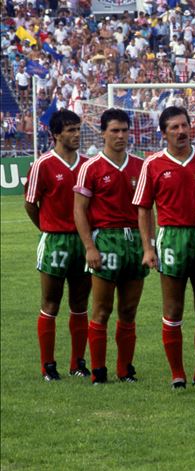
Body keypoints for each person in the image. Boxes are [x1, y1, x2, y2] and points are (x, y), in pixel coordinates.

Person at [132, 106, 195, 389]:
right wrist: (148, 248)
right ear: (164, 133)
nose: (181, 131)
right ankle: (177, 374)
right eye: (174, 128)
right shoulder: (153, 163)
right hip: (171, 239)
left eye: (184, 125)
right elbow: (144, 209)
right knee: (173, 308)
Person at [73, 108, 148, 384]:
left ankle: (125, 369)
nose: (120, 136)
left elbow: (147, 209)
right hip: (106, 240)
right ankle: (98, 370)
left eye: (125, 130)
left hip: (135, 243)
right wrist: (89, 247)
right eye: (114, 131)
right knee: (102, 310)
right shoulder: (90, 167)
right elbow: (79, 210)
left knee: (129, 310)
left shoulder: (141, 166)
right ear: (103, 132)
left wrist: (149, 244)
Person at [25, 109, 91, 381]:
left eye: (78, 129)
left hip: (84, 242)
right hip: (55, 240)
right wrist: (46, 229)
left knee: (80, 303)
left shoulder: (87, 164)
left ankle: (77, 364)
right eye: (70, 130)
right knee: (50, 303)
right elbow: (30, 204)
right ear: (55, 134)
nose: (76, 135)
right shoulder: (43, 164)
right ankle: (47, 366)